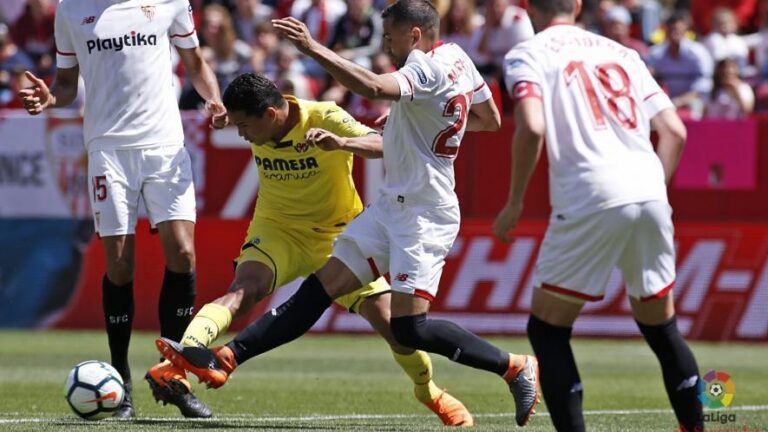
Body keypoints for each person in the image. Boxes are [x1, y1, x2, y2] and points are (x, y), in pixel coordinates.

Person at [155, 0, 541, 427]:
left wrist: (314, 48)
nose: (387, 45)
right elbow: (488, 120)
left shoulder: (424, 67)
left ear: (414, 35)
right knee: (320, 290)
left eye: (391, 37)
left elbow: (374, 87)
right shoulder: (457, 58)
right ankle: (230, 356)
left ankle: (514, 365)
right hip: (388, 209)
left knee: (409, 330)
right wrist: (410, 121)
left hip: (424, 214)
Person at [147, 72, 474, 426]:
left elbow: (384, 145)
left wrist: (341, 142)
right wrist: (225, 115)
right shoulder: (258, 116)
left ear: (270, 115)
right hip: (278, 230)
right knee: (244, 290)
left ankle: (428, 392)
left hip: (339, 239)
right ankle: (180, 360)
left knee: (395, 328)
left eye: (244, 126)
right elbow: (239, 116)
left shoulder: (325, 117)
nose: (241, 134)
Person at [496, 1, 702, 431]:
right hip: (649, 188)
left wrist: (514, 202)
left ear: (530, 8)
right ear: (576, 5)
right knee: (662, 329)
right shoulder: (623, 52)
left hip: (590, 192)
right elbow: (676, 132)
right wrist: (649, 191)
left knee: (548, 331)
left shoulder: (528, 53)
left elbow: (531, 127)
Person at [18, 0, 227, 419]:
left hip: (165, 145)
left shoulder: (170, 3)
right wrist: (48, 97)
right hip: (108, 150)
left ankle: (174, 376)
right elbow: (64, 83)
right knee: (119, 265)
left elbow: (196, 62)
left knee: (183, 252)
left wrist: (214, 100)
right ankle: (121, 379)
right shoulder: (71, 10)